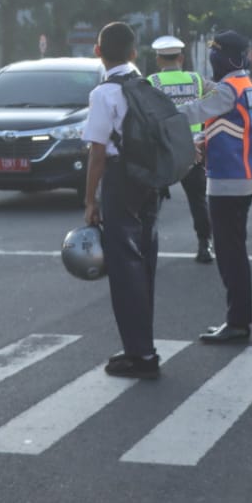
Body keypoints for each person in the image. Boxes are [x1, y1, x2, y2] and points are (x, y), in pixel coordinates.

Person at [82, 21, 163, 379]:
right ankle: (143, 347)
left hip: (121, 181)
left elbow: (97, 154)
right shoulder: (144, 84)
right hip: (149, 180)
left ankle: (140, 354)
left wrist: (90, 200)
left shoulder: (104, 93)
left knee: (124, 268)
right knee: (144, 265)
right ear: (134, 52)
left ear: (98, 51)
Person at [175, 31, 252, 343]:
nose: (213, 61)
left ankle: (238, 322)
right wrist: (203, 140)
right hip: (241, 176)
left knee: (230, 256)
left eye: (216, 55)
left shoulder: (228, 89)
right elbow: (231, 128)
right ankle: (238, 319)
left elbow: (193, 112)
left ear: (226, 58)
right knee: (233, 252)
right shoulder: (245, 85)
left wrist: (159, 113)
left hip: (229, 180)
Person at [146, 35, 213, 264]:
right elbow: (216, 101)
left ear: (158, 59)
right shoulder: (196, 80)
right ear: (182, 58)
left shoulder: (152, 82)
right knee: (197, 200)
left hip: (163, 151)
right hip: (191, 150)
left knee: (152, 202)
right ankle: (205, 245)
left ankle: (147, 247)